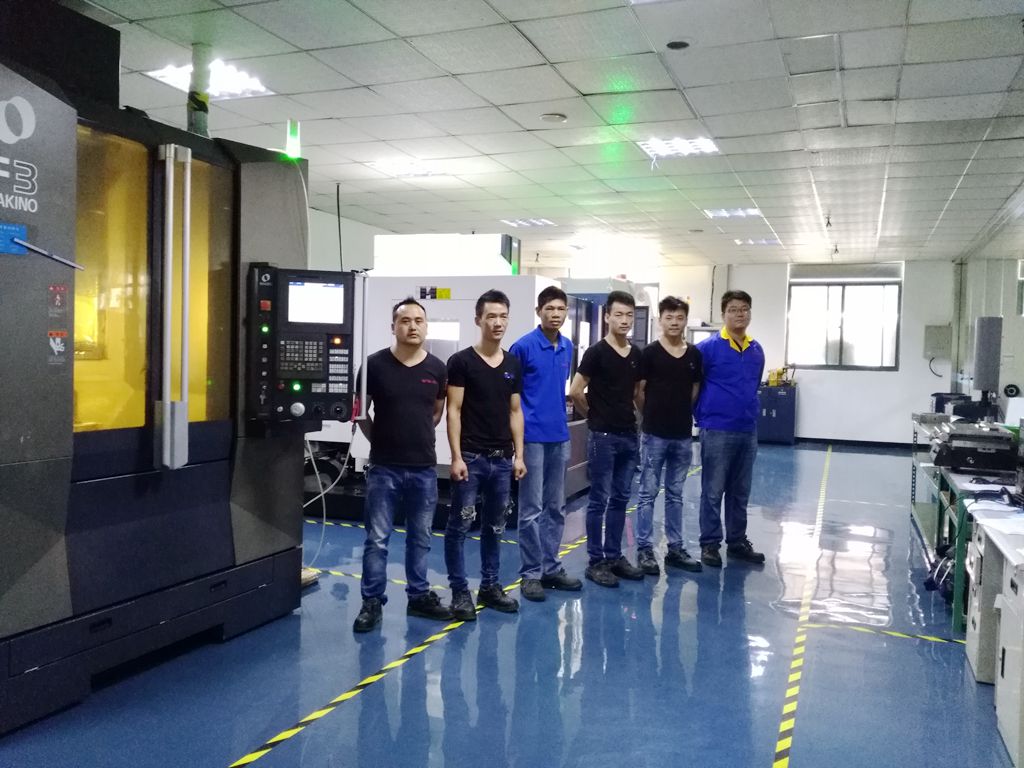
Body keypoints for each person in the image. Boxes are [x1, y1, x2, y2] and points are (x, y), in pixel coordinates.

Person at [352, 298, 451, 632]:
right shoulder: (374, 365)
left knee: (420, 537)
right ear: (393, 326)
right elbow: (360, 413)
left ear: (426, 326)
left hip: (424, 468)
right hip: (384, 468)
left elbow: (436, 412)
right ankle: (371, 602)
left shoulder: (437, 368)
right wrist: (380, 439)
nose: (412, 326)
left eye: (419, 321)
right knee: (377, 539)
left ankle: (419, 596)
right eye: (405, 320)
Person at [444, 289, 526, 620]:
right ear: (478, 319)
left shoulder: (513, 364)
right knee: (460, 526)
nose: (498, 322)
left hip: (502, 460)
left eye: (503, 316)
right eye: (491, 316)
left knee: (496, 527)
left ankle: (490, 586)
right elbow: (453, 410)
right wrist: (456, 456)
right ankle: (459, 591)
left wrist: (519, 456)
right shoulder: (461, 362)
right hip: (472, 458)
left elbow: (515, 411)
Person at [509, 286, 582, 602]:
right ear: (538, 311)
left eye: (561, 309)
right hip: (532, 439)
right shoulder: (523, 347)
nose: (555, 314)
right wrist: (517, 446)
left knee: (556, 507)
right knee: (531, 509)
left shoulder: (567, 347)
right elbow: (511, 398)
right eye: (549, 308)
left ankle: (551, 567)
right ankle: (531, 574)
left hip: (559, 437)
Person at [569, 290, 644, 588]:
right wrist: (594, 416)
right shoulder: (596, 353)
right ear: (607, 316)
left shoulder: (636, 355)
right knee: (599, 499)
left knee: (621, 498)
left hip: (628, 435)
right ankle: (595, 561)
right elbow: (576, 391)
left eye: (629, 315)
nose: (624, 320)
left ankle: (614, 556)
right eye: (619, 314)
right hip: (603, 437)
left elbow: (636, 392)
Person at [694, 290, 766, 567]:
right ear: (723, 314)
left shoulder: (756, 350)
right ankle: (710, 544)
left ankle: (737, 542)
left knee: (740, 491)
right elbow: (695, 385)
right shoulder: (708, 348)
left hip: (747, 429)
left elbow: (754, 384)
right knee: (713, 491)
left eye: (744, 309)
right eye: (734, 309)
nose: (740, 314)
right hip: (717, 428)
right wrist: (702, 415)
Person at [633, 296, 703, 575]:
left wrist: (679, 412)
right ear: (660, 320)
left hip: (682, 435)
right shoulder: (649, 354)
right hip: (654, 435)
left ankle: (675, 548)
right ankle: (644, 549)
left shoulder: (694, 355)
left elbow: (694, 390)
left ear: (685, 320)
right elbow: (639, 392)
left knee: (675, 494)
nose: (674, 322)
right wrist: (651, 414)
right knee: (647, 493)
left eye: (679, 317)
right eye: (669, 317)